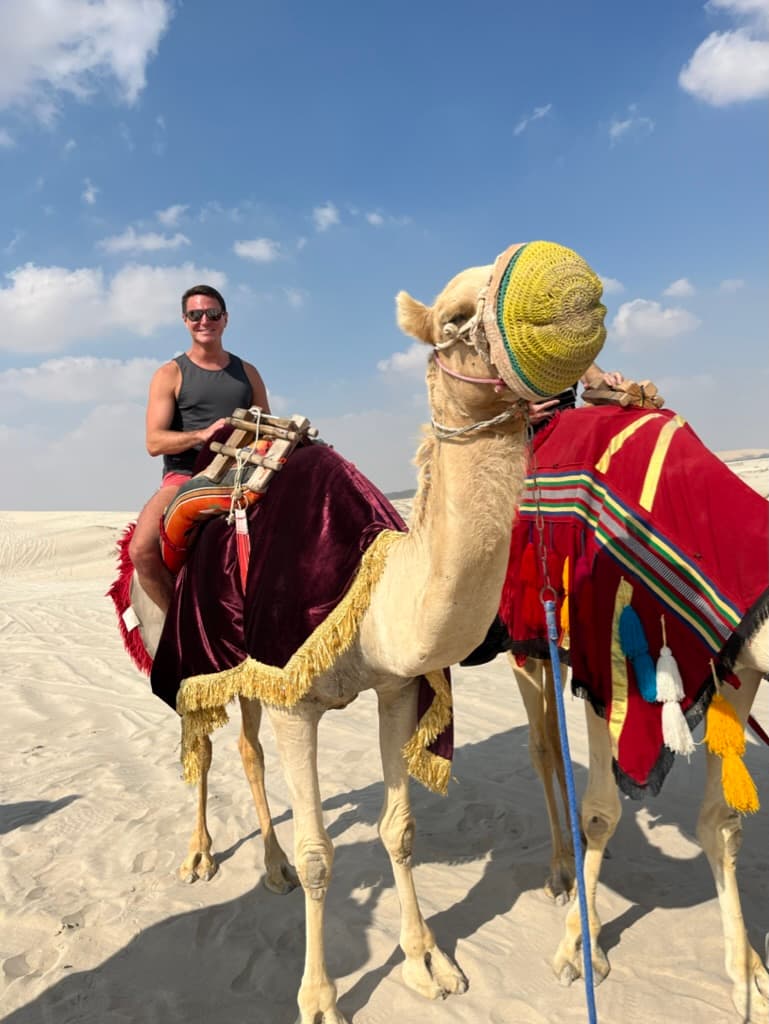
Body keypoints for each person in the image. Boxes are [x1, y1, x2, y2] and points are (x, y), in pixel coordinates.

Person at [459, 360, 624, 667]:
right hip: (517, 441)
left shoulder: (563, 345)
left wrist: (607, 381)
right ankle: (492, 624)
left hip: (569, 435)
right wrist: (515, 416)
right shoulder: (492, 352)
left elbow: (592, 374)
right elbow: (471, 410)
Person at [128, 284, 269, 614]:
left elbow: (264, 427)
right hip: (185, 477)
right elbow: (154, 442)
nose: (204, 320)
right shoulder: (170, 374)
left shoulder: (248, 373)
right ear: (185, 320)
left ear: (225, 319)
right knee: (142, 550)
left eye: (212, 313)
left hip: (242, 474)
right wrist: (203, 434)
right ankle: (178, 631)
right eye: (196, 314)